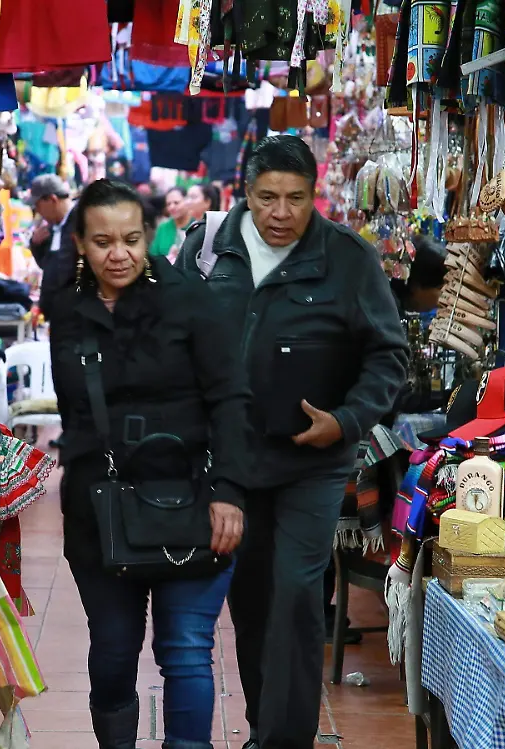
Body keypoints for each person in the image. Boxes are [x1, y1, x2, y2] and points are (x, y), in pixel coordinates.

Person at [177, 135, 409, 749]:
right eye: (267, 198)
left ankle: (285, 739)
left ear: (316, 196)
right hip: (231, 464)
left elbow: (389, 358)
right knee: (251, 599)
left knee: (298, 593)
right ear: (244, 194)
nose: (281, 213)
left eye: (296, 199)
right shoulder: (207, 250)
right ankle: (265, 725)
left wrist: (348, 419)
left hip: (313, 461)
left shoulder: (348, 258)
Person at [48, 179, 252, 749]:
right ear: (83, 246)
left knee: (186, 648)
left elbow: (231, 398)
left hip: (193, 497)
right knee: (113, 654)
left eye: (132, 239)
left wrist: (229, 489)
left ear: (148, 237)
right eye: (104, 241)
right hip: (102, 509)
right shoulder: (69, 309)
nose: (120, 254)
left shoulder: (189, 297)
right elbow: (75, 414)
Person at [322, 234, 448, 641]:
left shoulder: (383, 301)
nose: (442, 299)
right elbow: (383, 377)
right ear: (422, 284)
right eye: (442, 288)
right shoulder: (385, 309)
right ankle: (322, 618)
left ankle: (323, 616)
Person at [28, 173, 78, 323]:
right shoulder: (52, 228)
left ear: (52, 199)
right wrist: (36, 245)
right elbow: (47, 265)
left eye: (38, 206)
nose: (38, 212)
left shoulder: (81, 222)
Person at [150, 187, 189, 258]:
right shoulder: (163, 227)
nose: (172, 207)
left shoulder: (196, 225)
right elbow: (153, 255)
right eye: (168, 204)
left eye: (176, 203)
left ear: (187, 202)